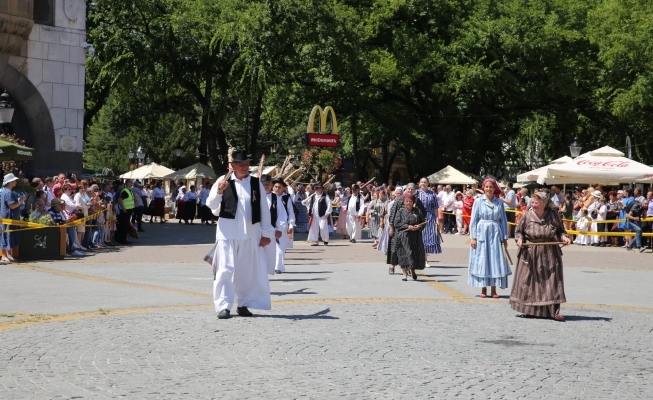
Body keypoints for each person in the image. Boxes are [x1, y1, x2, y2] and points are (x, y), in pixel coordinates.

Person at [206, 149, 275, 319]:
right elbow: (211, 206)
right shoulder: (223, 181)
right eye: (240, 164)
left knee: (246, 272)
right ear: (232, 166)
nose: (244, 167)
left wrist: (267, 233)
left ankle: (244, 304)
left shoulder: (255, 183)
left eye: (246, 164)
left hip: (250, 234)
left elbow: (263, 209)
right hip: (227, 234)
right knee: (225, 270)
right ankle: (223, 306)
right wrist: (219, 192)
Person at [511, 190, 571, 321]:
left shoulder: (553, 215)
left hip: (549, 252)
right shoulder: (526, 215)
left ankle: (553, 311)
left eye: (536, 202)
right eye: (532, 202)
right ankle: (529, 310)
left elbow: (561, 230)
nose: (533, 205)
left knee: (552, 282)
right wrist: (519, 240)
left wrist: (564, 237)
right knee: (530, 282)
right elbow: (518, 232)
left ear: (544, 203)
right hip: (530, 252)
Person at [468, 178, 512, 298]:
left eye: (491, 187)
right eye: (486, 187)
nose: (488, 189)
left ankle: (494, 289)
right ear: (483, 188)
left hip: (495, 233)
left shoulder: (499, 202)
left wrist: (505, 238)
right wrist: (473, 237)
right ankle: (483, 288)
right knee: (483, 259)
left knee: (495, 259)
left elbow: (503, 220)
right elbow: (473, 220)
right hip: (482, 232)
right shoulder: (478, 201)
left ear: (494, 189)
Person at [393, 194, 426, 281]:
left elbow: (423, 222)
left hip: (415, 237)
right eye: (406, 201)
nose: (408, 203)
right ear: (404, 202)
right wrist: (407, 226)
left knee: (413, 254)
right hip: (404, 237)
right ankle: (404, 274)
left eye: (410, 201)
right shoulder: (400, 211)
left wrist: (418, 227)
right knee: (404, 254)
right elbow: (396, 223)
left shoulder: (417, 211)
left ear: (413, 202)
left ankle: (413, 270)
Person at [0, 174, 26, 263]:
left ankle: (8, 254)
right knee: (5, 235)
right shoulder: (8, 192)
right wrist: (21, 201)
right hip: (7, 217)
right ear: (10, 182)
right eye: (14, 180)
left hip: (9, 217)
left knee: (9, 236)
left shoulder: (7, 191)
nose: (15, 182)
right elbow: (12, 206)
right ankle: (4, 255)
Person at [416, 178, 441, 266]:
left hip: (430, 216)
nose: (423, 183)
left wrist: (437, 219)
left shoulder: (432, 194)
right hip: (419, 216)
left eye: (425, 182)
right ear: (419, 183)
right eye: (422, 182)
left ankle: (425, 259)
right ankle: (419, 258)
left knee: (428, 237)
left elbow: (435, 207)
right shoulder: (416, 193)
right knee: (420, 237)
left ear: (428, 183)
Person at [303, 182, 332, 246]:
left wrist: (327, 212)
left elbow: (329, 204)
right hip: (314, 214)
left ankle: (325, 240)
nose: (316, 190)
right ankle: (315, 241)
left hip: (322, 214)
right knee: (314, 228)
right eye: (316, 189)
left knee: (323, 227)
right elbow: (309, 204)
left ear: (321, 189)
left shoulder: (325, 196)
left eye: (318, 189)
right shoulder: (313, 196)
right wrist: (306, 203)